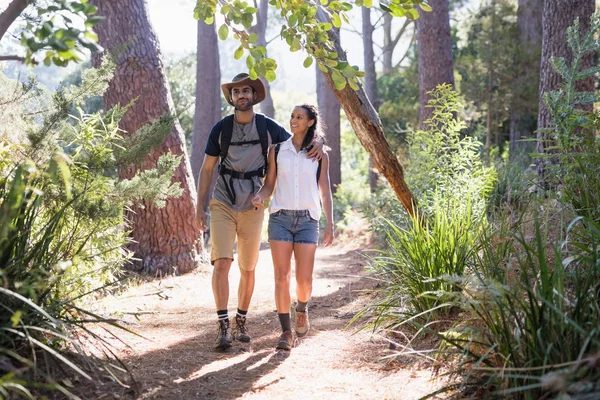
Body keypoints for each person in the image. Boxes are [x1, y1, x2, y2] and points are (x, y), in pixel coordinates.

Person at [195, 74, 323, 350]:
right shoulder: (221, 129)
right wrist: (199, 207)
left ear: (253, 96)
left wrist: (320, 142)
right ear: (231, 98)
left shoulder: (267, 127)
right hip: (223, 200)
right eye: (236, 92)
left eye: (246, 91)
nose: (241, 95)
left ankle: (241, 318)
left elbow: (298, 140)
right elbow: (207, 170)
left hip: (253, 204)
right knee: (222, 261)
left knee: (248, 267)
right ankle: (223, 326)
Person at [252, 104, 334, 351]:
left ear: (310, 122)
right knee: (281, 276)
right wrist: (259, 196)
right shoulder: (277, 150)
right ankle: (286, 331)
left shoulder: (320, 155)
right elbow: (269, 184)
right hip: (281, 218)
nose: (294, 120)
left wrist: (330, 223)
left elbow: (325, 190)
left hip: (309, 220)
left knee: (304, 280)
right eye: (292, 116)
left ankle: (301, 308)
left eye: (300, 117)